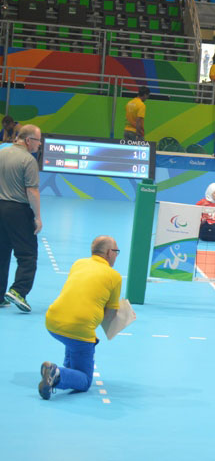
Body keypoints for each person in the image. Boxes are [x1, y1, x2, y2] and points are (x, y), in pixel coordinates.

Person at [38, 236, 125, 400]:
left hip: (52, 322)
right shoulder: (115, 277)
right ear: (108, 253)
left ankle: (64, 370)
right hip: (78, 330)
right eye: (116, 252)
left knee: (73, 342)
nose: (116, 256)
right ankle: (56, 373)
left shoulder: (78, 263)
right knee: (85, 380)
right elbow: (111, 314)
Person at [0, 125, 42, 312]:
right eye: (38, 140)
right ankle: (19, 291)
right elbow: (31, 191)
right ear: (28, 140)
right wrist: (38, 217)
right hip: (17, 209)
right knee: (28, 254)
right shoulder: (28, 160)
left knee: (1, 253)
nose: (39, 144)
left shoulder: (1, 152)